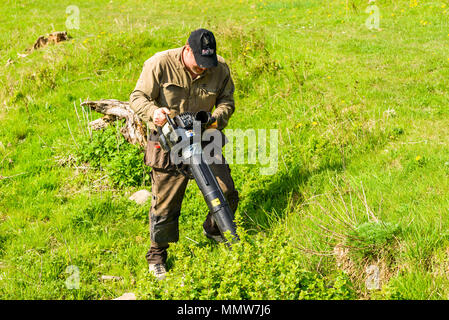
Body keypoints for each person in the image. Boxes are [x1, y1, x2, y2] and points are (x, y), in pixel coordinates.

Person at [129, 29, 239, 280]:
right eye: (199, 63)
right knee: (165, 206)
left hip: (205, 137)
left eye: (207, 64)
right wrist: (154, 113)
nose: (203, 69)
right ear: (187, 50)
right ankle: (157, 257)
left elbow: (227, 101)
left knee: (226, 191)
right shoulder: (159, 63)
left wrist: (215, 117)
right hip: (168, 141)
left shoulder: (220, 68)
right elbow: (137, 97)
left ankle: (214, 229)